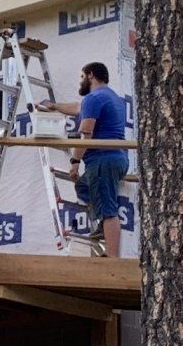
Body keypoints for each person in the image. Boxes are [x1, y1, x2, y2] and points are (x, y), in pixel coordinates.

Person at [50, 60, 130, 257]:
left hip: (103, 160)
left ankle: (112, 259)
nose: (81, 81)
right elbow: (77, 107)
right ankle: (102, 223)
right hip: (117, 159)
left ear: (90, 75)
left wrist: (75, 163)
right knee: (84, 187)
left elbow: (85, 133)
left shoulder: (93, 98)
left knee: (109, 212)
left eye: (82, 77)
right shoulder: (111, 96)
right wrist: (53, 106)